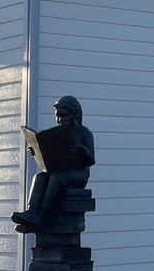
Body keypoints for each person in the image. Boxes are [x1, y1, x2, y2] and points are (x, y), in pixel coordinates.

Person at [12, 96, 95, 234]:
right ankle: (32, 211)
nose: (60, 119)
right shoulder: (59, 133)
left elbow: (91, 160)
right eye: (58, 116)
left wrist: (82, 150)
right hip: (61, 170)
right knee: (41, 176)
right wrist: (36, 151)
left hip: (79, 174)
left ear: (75, 114)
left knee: (57, 177)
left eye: (64, 115)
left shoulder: (84, 133)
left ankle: (40, 216)